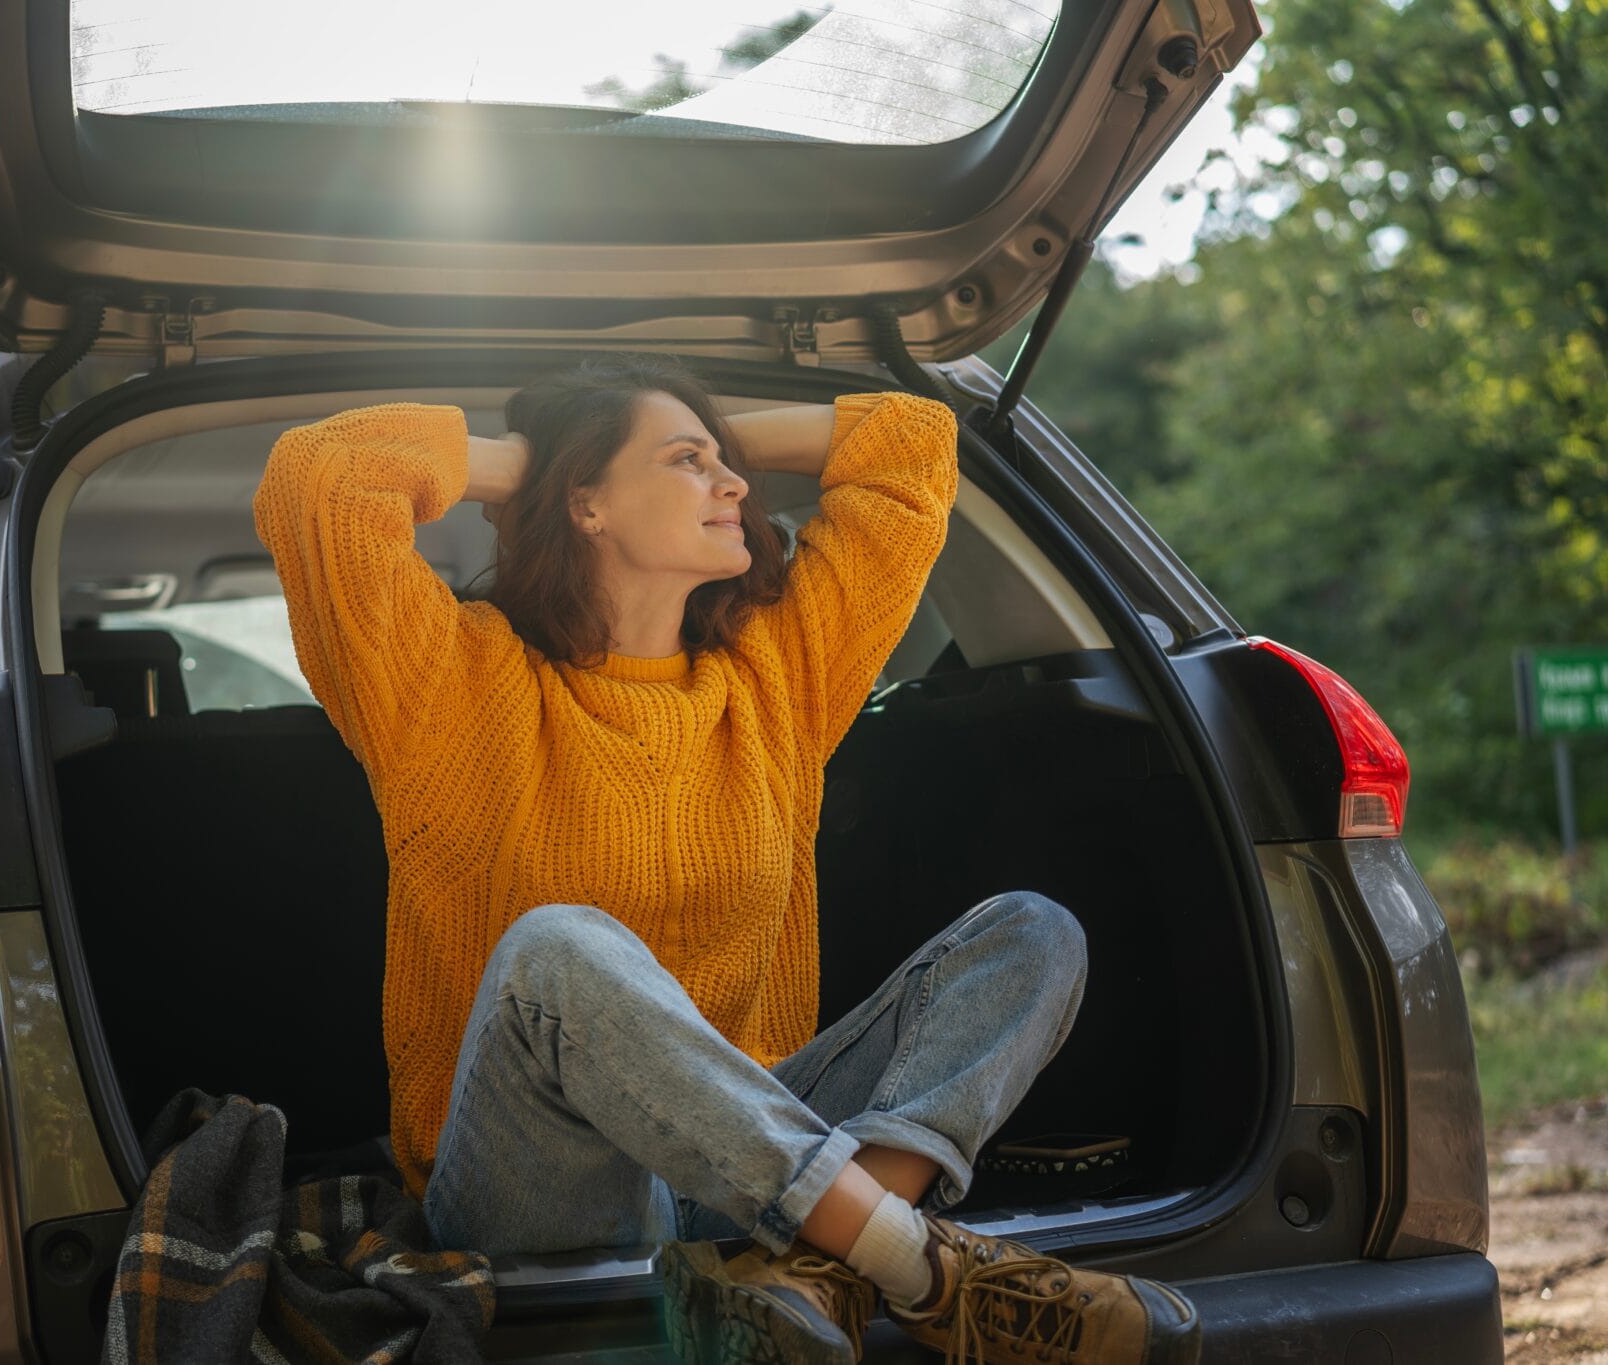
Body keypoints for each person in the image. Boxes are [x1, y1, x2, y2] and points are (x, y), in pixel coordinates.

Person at [252, 355, 1199, 1365]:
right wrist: (545, 457)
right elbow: (319, 475)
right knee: (559, 951)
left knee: (1029, 932)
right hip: (535, 1189)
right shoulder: (448, 688)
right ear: (584, 505)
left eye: (726, 463)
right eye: (689, 462)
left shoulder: (773, 679)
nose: (736, 484)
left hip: (735, 1182)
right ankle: (916, 1268)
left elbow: (910, 447)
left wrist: (686, 442)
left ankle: (810, 1272)